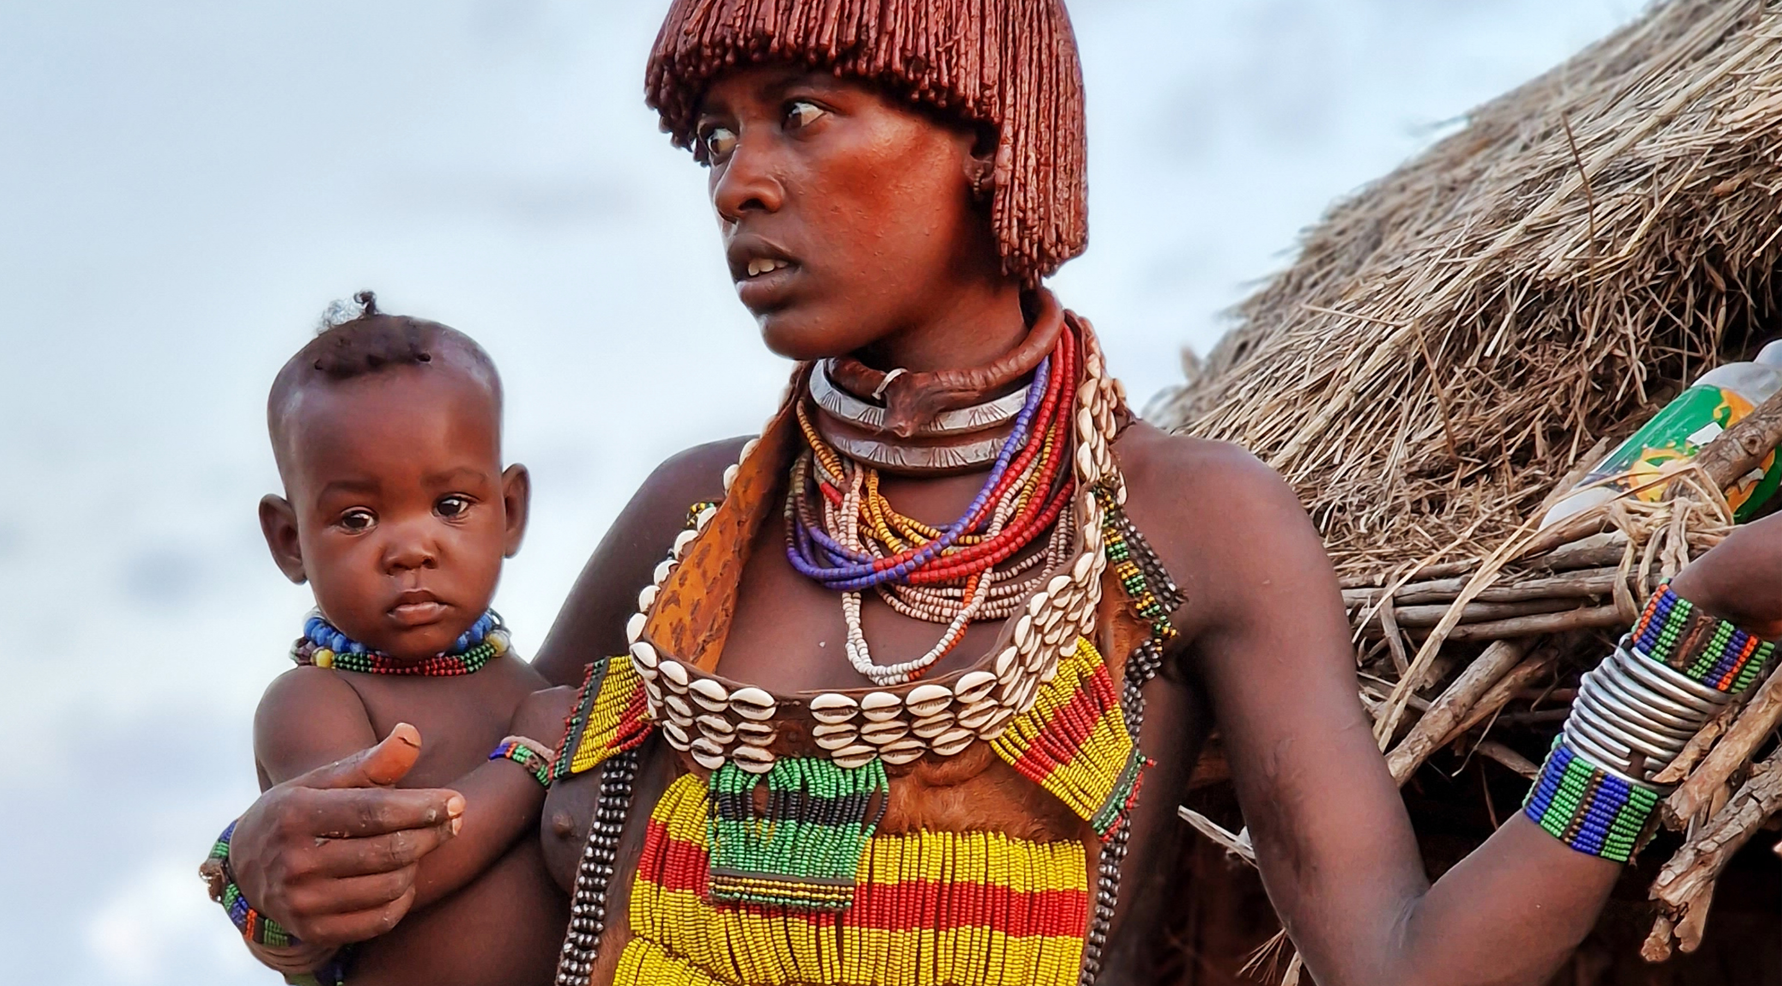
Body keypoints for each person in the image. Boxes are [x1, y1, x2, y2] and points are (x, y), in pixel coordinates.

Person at [208, 5, 1782, 985]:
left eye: (805, 113)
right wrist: (267, 876)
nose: (738, 182)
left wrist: (1686, 645)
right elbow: (410, 884)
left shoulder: (1191, 530)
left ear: (984, 135)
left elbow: (1405, 964)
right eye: (715, 134)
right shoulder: (693, 529)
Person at [201, 293, 569, 986]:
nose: (409, 550)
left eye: (450, 506)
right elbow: (370, 877)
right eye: (358, 518)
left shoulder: (535, 689)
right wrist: (527, 764)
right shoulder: (313, 701)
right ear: (289, 541)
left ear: (510, 510)